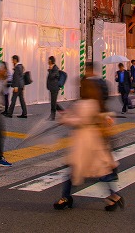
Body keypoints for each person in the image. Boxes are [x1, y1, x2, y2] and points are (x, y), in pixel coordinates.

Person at [53, 76, 122, 211]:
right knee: (97, 171)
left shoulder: (84, 104)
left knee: (75, 169)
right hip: (93, 141)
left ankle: (66, 197)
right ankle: (114, 196)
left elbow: (79, 120)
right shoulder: (94, 103)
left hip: (84, 142)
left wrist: (65, 120)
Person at [46, 56, 63, 120]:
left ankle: (52, 116)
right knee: (53, 102)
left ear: (51, 61)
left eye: (49, 60)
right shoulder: (53, 68)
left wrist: (50, 70)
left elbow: (51, 77)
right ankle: (63, 113)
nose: (48, 61)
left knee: (53, 102)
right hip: (52, 87)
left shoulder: (55, 68)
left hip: (55, 87)